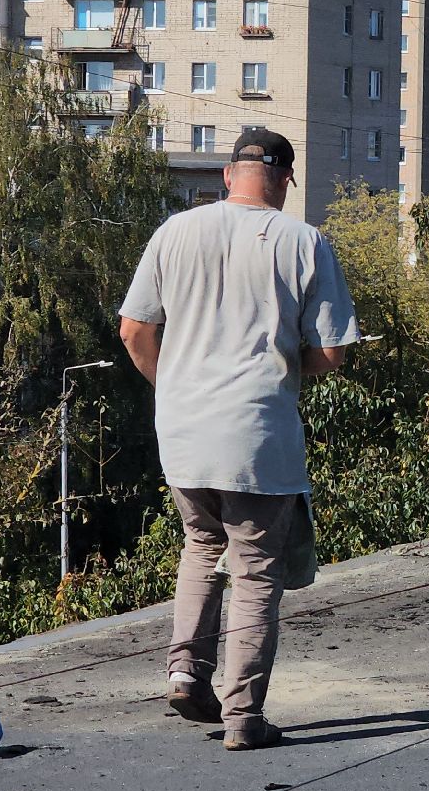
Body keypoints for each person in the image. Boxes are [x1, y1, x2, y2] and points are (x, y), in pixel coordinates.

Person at [118, 128, 358, 751]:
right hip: (255, 435)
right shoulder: (303, 242)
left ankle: (184, 674)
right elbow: (332, 348)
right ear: (286, 181)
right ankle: (244, 719)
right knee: (254, 573)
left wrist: (170, 383)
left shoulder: (175, 231)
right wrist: (285, 368)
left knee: (201, 547)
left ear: (227, 176)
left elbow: (133, 330)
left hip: (183, 432)